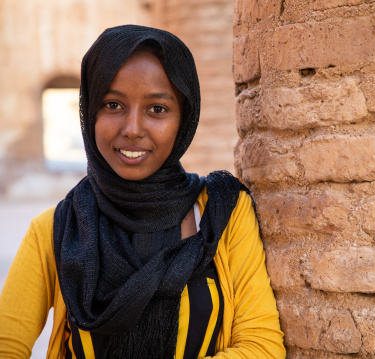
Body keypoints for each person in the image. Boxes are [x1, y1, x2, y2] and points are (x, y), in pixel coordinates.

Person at [0, 25, 285, 359]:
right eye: (112, 105)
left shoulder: (222, 216)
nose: (132, 129)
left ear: (184, 118)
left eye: (157, 109)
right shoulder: (55, 231)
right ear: (90, 111)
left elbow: (262, 345)